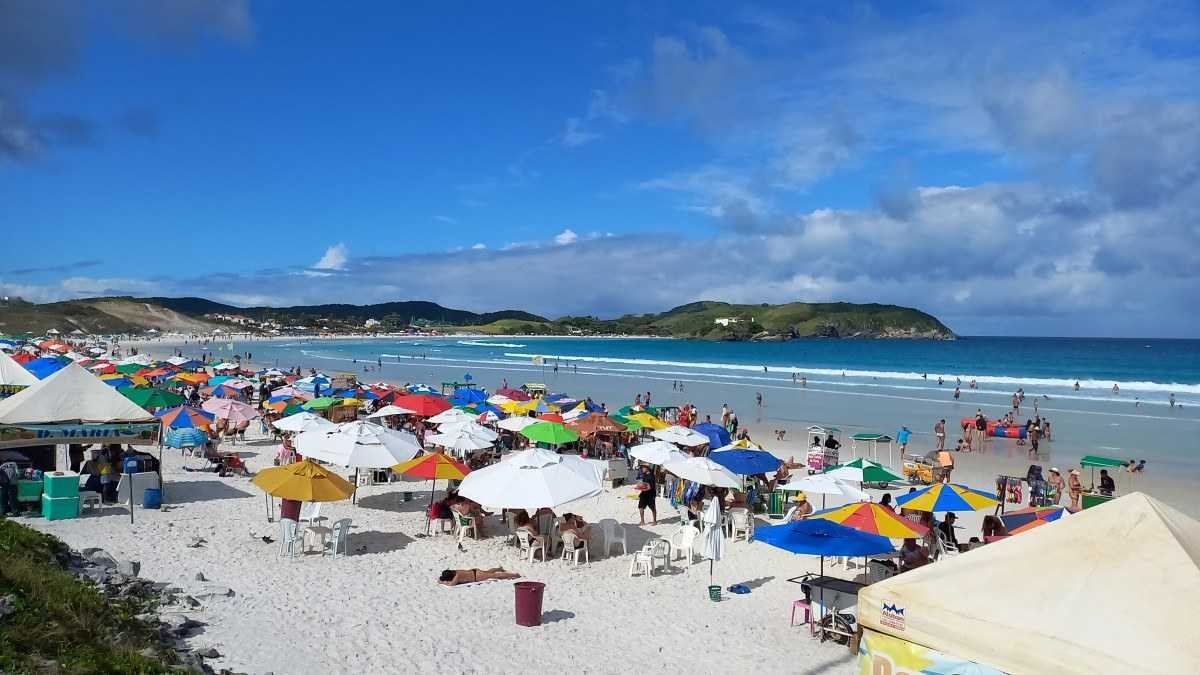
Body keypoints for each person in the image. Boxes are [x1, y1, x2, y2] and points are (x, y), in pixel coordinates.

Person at [438, 567, 521, 586]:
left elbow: (451, 584)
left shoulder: (457, 576)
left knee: (495, 576)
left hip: (476, 576)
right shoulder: (454, 571)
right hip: (474, 571)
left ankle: (514, 575)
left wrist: (442, 582)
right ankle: (499, 568)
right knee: (488, 572)